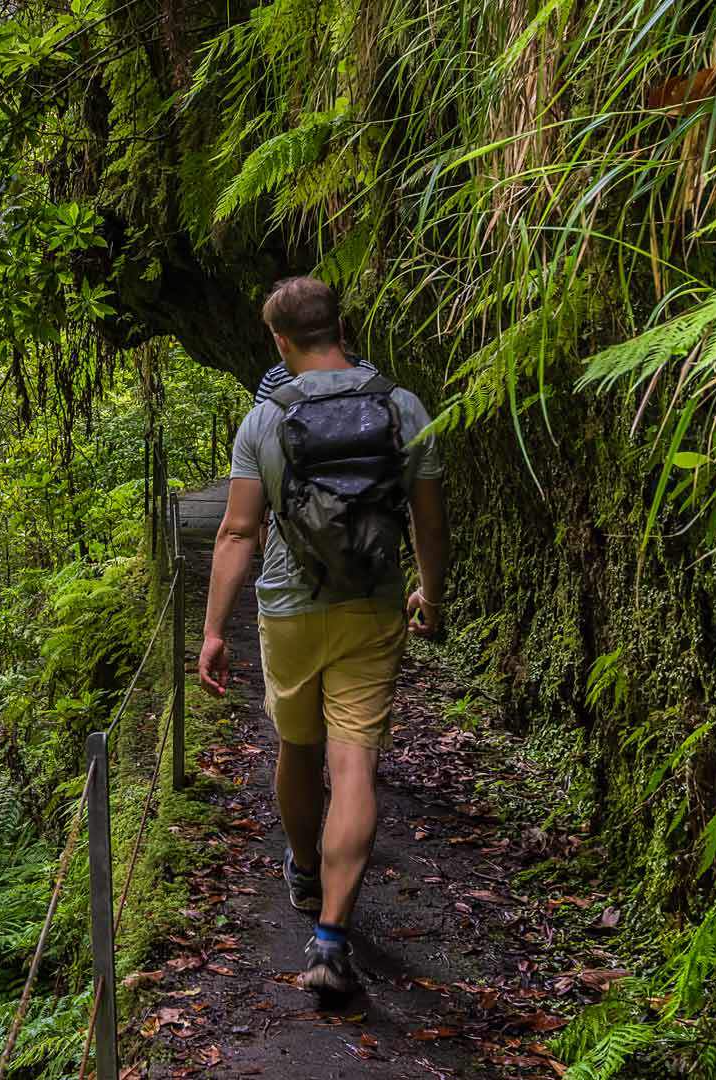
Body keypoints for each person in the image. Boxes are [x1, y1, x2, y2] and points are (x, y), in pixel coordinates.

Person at [198, 275, 450, 998]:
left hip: (287, 609)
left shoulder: (265, 421)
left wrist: (214, 632)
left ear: (279, 341)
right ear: (345, 326)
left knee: (297, 751)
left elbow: (238, 530)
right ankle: (332, 940)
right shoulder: (401, 407)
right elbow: (430, 523)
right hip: (372, 607)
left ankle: (305, 871)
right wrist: (430, 595)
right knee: (355, 766)